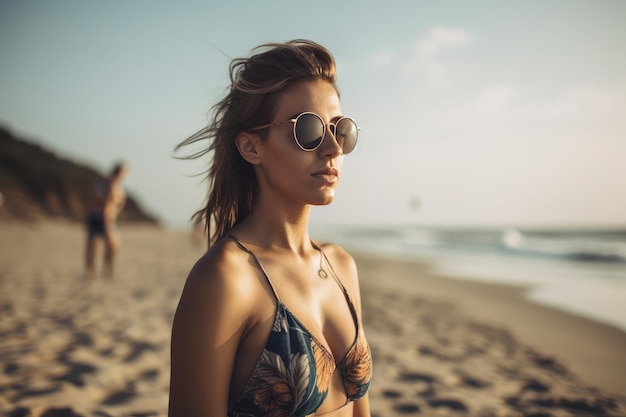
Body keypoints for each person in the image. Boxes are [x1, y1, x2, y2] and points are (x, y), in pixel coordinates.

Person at [169, 40, 372, 417]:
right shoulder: (226, 280)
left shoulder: (342, 266)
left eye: (340, 129)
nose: (332, 148)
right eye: (307, 129)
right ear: (251, 147)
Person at [84, 161, 128, 278]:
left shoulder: (100, 182)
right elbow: (108, 205)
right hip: (106, 217)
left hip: (94, 214)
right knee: (112, 244)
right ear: (120, 172)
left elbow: (91, 198)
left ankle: (90, 269)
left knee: (92, 243)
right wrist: (107, 223)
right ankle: (107, 270)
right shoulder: (113, 184)